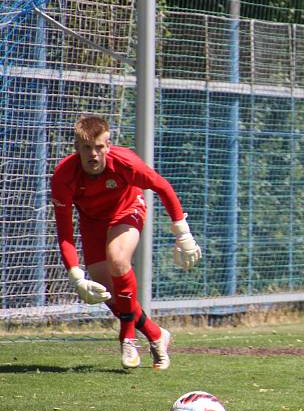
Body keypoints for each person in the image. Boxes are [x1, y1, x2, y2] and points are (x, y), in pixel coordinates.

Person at [51, 115, 201, 370]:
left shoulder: (126, 163)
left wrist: (183, 233)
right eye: (87, 148)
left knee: (118, 259)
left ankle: (127, 337)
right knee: (104, 289)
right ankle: (156, 335)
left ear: (108, 145)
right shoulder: (63, 176)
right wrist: (76, 277)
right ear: (77, 148)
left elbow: (163, 187)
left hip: (127, 209)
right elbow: (64, 232)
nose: (94, 154)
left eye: (99, 147)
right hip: (92, 221)